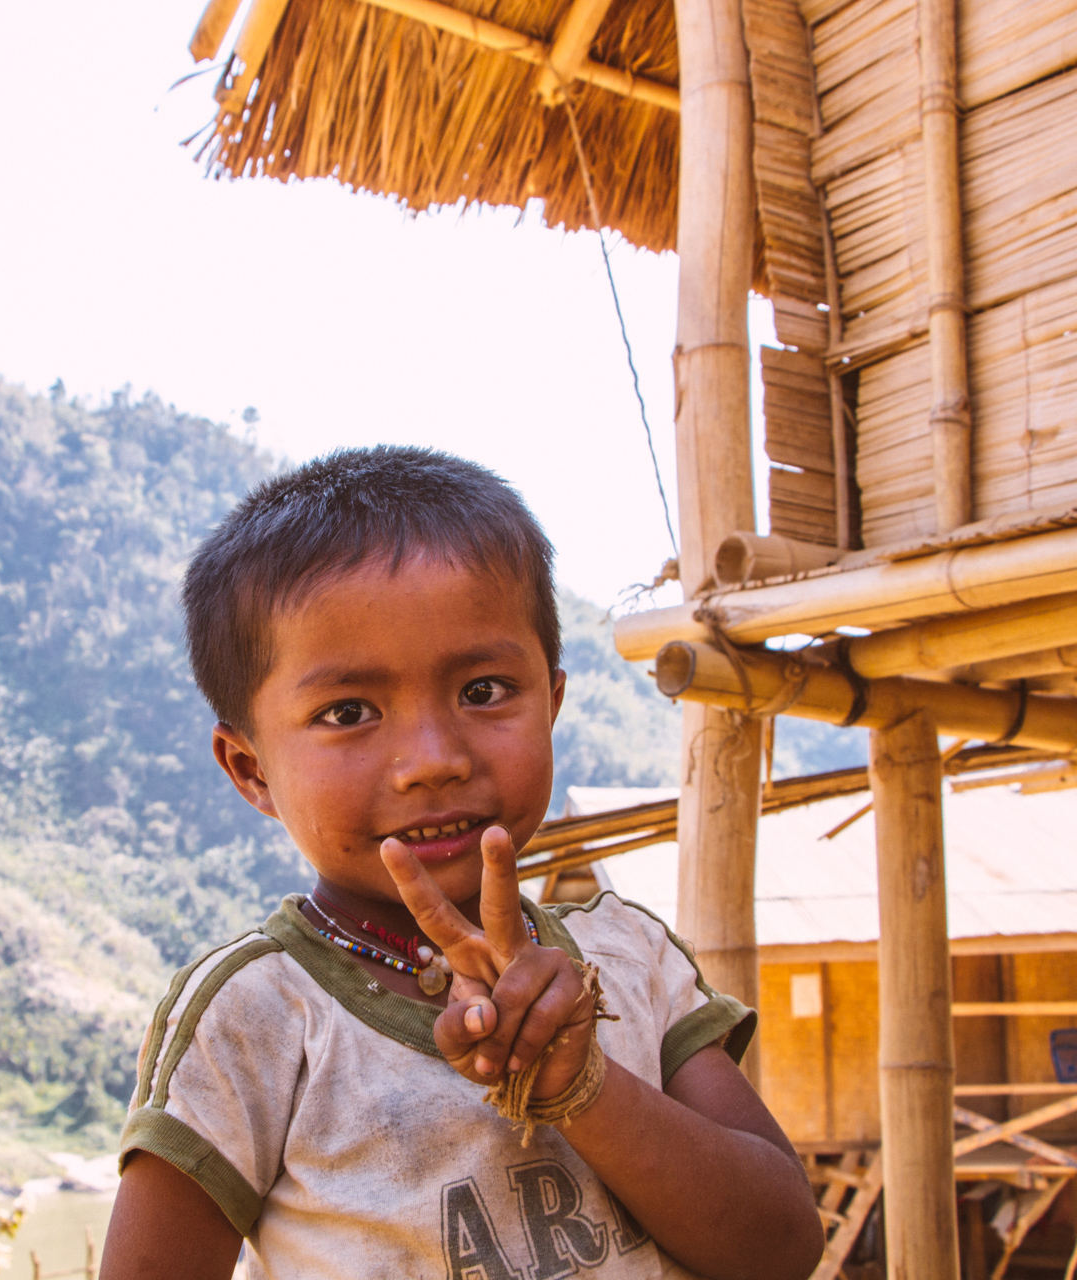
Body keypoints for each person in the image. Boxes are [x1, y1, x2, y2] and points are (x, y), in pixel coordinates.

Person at [100, 447, 824, 1279]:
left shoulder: (629, 961)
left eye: (482, 691)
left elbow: (782, 1247)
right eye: (349, 712)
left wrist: (583, 1087)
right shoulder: (259, 1017)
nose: (433, 760)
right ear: (252, 769)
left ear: (551, 702)